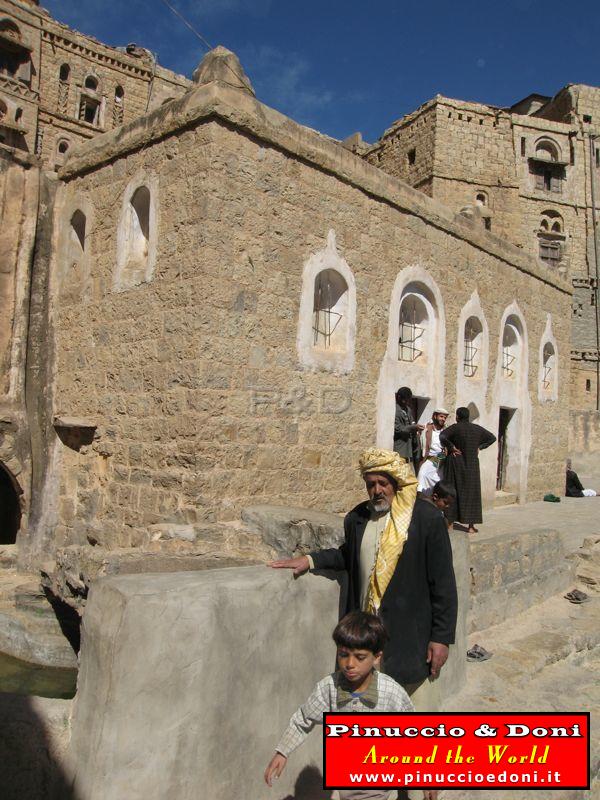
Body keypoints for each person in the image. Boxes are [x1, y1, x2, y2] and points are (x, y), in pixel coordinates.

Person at [269, 448, 457, 717]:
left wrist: (441, 638)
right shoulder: (357, 518)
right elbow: (349, 554)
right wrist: (310, 560)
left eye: (383, 483)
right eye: (371, 484)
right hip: (367, 638)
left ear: (395, 483)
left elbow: (443, 583)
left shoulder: (426, 519)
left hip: (410, 638)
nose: (377, 490)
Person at [264, 611, 430, 800]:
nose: (349, 664)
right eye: (343, 655)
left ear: (377, 657)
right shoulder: (329, 688)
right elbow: (303, 719)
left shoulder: (390, 692)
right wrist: (282, 752)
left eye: (359, 657)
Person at [440, 407, 496, 534]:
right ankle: (471, 527)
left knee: (453, 491)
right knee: (472, 494)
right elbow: (492, 438)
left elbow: (443, 436)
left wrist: (451, 447)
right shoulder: (477, 429)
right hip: (472, 466)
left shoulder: (455, 428)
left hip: (456, 464)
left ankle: (449, 524)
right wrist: (480, 447)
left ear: (457, 417)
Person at [417, 408, 449, 496]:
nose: (443, 419)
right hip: (428, 458)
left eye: (445, 417)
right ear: (435, 416)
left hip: (441, 459)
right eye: (441, 416)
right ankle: (421, 499)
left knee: (440, 479)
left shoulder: (447, 430)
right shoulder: (427, 428)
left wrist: (439, 458)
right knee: (422, 474)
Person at [393, 387, 423, 473]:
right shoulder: (395, 409)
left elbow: (412, 421)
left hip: (410, 446)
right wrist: (412, 427)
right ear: (398, 397)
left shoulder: (408, 409)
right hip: (400, 447)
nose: (406, 402)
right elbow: (398, 429)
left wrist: (416, 427)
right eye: (404, 400)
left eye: (408, 400)